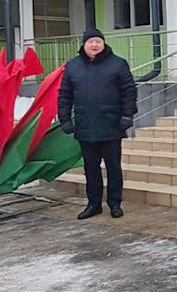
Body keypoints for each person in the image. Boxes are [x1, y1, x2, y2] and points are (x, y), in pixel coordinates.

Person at [58, 28, 137, 220]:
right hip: (85, 127)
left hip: (111, 126)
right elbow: (64, 94)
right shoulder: (73, 66)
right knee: (90, 169)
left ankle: (114, 203)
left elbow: (129, 91)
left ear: (103, 43)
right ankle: (93, 204)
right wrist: (65, 119)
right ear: (84, 44)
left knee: (113, 168)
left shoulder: (118, 64)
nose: (94, 45)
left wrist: (128, 115)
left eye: (98, 41)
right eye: (90, 41)